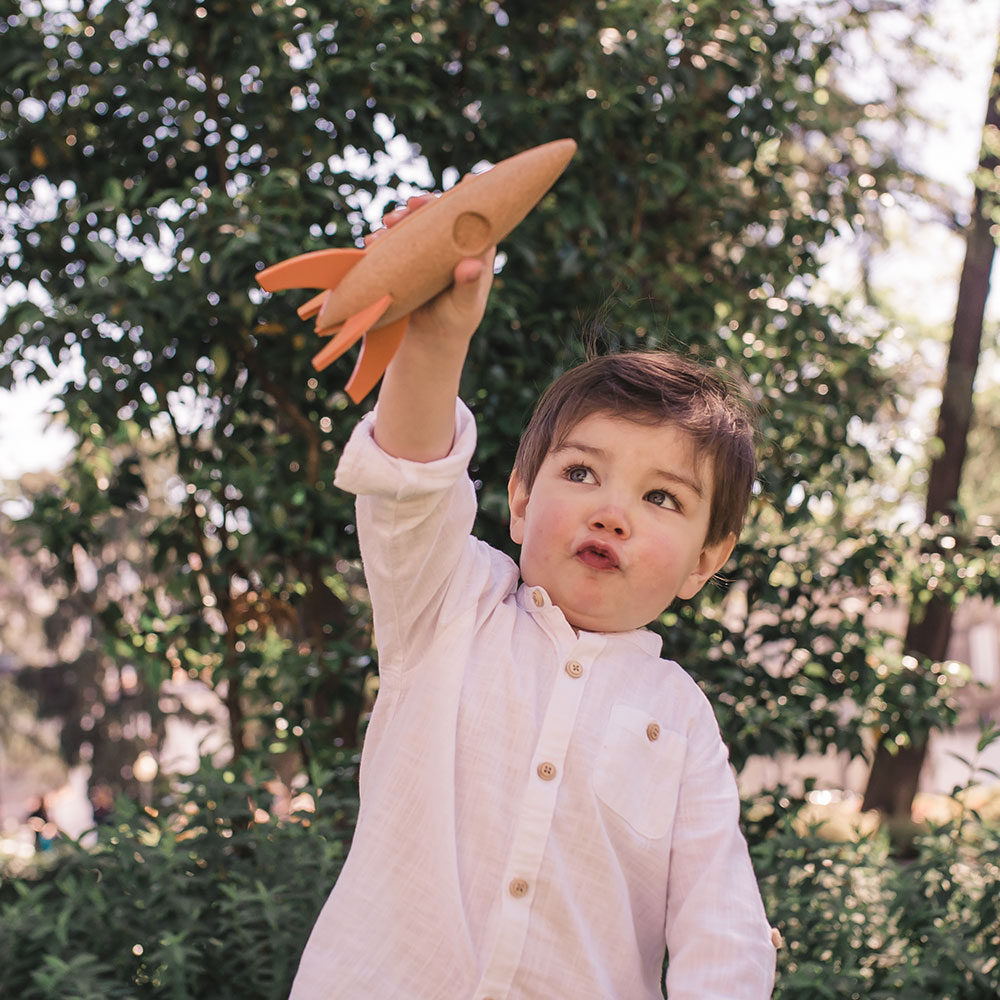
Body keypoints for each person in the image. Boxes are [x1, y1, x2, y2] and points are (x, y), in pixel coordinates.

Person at [289, 196, 776, 999]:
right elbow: (409, 485)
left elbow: (719, 927)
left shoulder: (681, 720)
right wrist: (437, 337)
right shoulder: (450, 606)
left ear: (705, 562)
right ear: (518, 500)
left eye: (663, 499)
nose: (610, 510)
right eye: (580, 472)